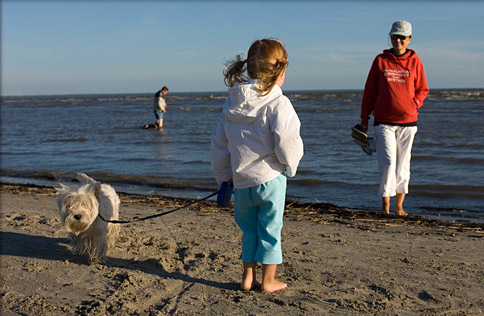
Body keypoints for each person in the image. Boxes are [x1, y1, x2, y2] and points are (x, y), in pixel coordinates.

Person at [210, 38, 304, 292]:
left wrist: (224, 178)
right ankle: (269, 280)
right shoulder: (278, 103)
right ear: (281, 69)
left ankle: (247, 278)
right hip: (270, 179)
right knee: (270, 229)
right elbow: (287, 141)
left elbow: (219, 145)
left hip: (241, 183)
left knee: (249, 230)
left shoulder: (231, 104)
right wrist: (290, 166)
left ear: (248, 68)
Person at [360, 20, 429, 216]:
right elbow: (370, 92)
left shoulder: (416, 61)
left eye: (401, 37)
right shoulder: (380, 61)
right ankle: (385, 207)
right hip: (384, 122)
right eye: (394, 37)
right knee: (388, 163)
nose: (397, 40)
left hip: (408, 122)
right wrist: (364, 119)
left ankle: (399, 207)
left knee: (403, 164)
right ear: (390, 38)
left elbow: (423, 89)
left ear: (409, 39)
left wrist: (415, 103)